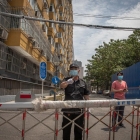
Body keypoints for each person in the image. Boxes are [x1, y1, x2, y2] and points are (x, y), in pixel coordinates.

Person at [60, 63, 90, 140]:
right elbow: (62, 86)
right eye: (72, 69)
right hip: (67, 110)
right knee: (66, 131)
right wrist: (67, 82)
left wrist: (89, 106)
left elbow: (86, 95)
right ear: (69, 71)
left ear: (78, 70)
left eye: (75, 69)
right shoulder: (66, 80)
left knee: (79, 131)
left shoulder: (83, 82)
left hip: (79, 111)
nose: (73, 70)